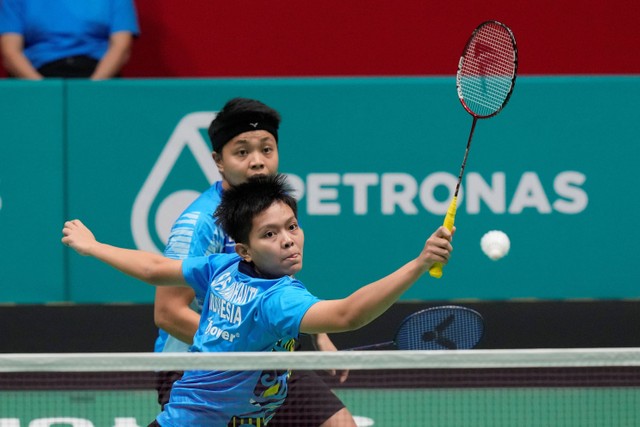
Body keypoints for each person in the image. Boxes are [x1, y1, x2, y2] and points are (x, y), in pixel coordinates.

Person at [61, 174, 455, 426]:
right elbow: (348, 313)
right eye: (269, 234)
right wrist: (419, 264)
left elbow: (152, 268)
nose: (287, 239)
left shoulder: (222, 266)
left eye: (292, 226)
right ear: (244, 248)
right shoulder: (278, 299)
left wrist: (94, 247)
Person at [154, 97, 351, 427]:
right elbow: (167, 312)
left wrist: (319, 334)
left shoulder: (270, 208)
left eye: (267, 149)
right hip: (197, 365)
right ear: (219, 160)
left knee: (338, 423)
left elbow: (271, 279)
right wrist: (246, 349)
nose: (257, 162)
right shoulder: (200, 224)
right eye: (242, 152)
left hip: (266, 356)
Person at [0, 0, 139, 79]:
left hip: (99, 73)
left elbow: (121, 47)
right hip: (35, 74)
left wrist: (94, 88)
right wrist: (41, 90)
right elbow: (10, 52)